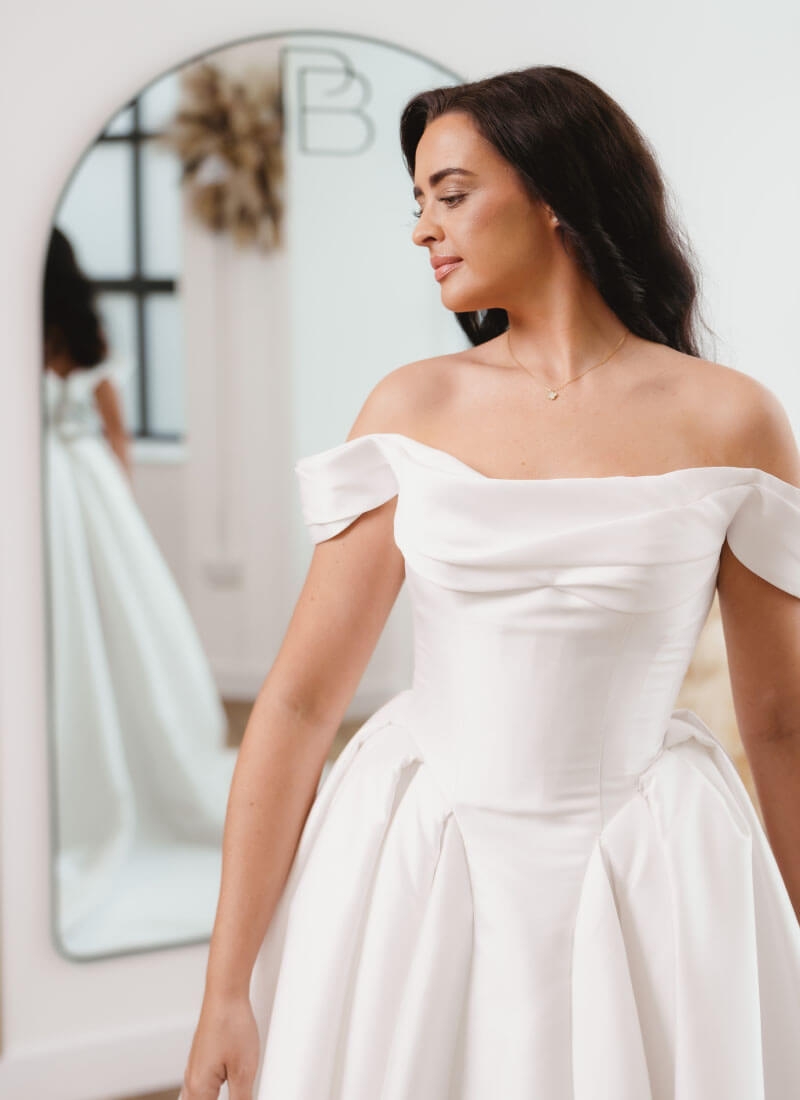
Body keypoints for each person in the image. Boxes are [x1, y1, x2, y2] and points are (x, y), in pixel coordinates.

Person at [180, 65, 800, 1100]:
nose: (423, 228)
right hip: (422, 861)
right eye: (417, 201)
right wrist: (224, 987)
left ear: (554, 193)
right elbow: (292, 704)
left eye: (451, 193)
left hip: (649, 864)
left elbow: (780, 721)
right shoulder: (410, 407)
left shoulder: (729, 419)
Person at [42, 227, 237, 943]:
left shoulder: (56, 333)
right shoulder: (80, 330)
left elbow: (112, 425)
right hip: (82, 485)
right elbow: (114, 434)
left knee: (83, 631)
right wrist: (118, 496)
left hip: (57, 492)